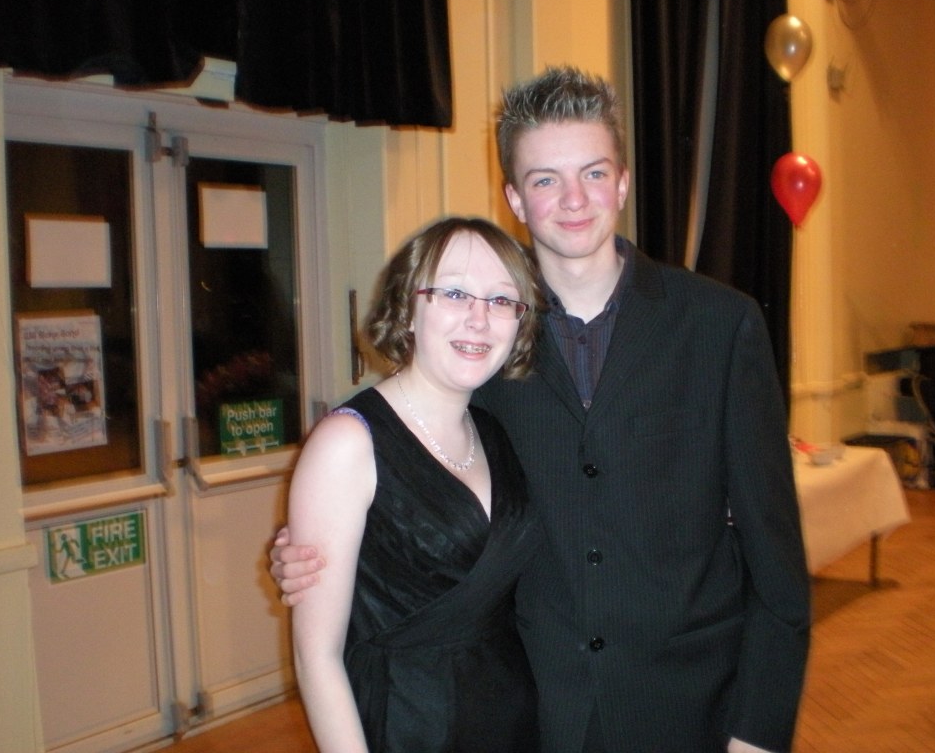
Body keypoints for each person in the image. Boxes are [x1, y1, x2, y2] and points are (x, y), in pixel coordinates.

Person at [274, 67, 811, 753]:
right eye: (545, 179)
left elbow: (777, 560)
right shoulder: (484, 348)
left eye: (593, 172)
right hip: (531, 714)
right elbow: (407, 484)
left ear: (622, 181)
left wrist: (758, 733)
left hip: (691, 709)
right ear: (515, 200)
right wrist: (308, 546)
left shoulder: (720, 327)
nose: (574, 199)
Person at [287, 216, 544, 752]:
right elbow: (316, 659)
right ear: (408, 307)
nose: (479, 319)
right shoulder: (346, 443)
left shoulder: (494, 430)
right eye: (453, 292)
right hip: (407, 723)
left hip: (509, 719)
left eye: (501, 301)